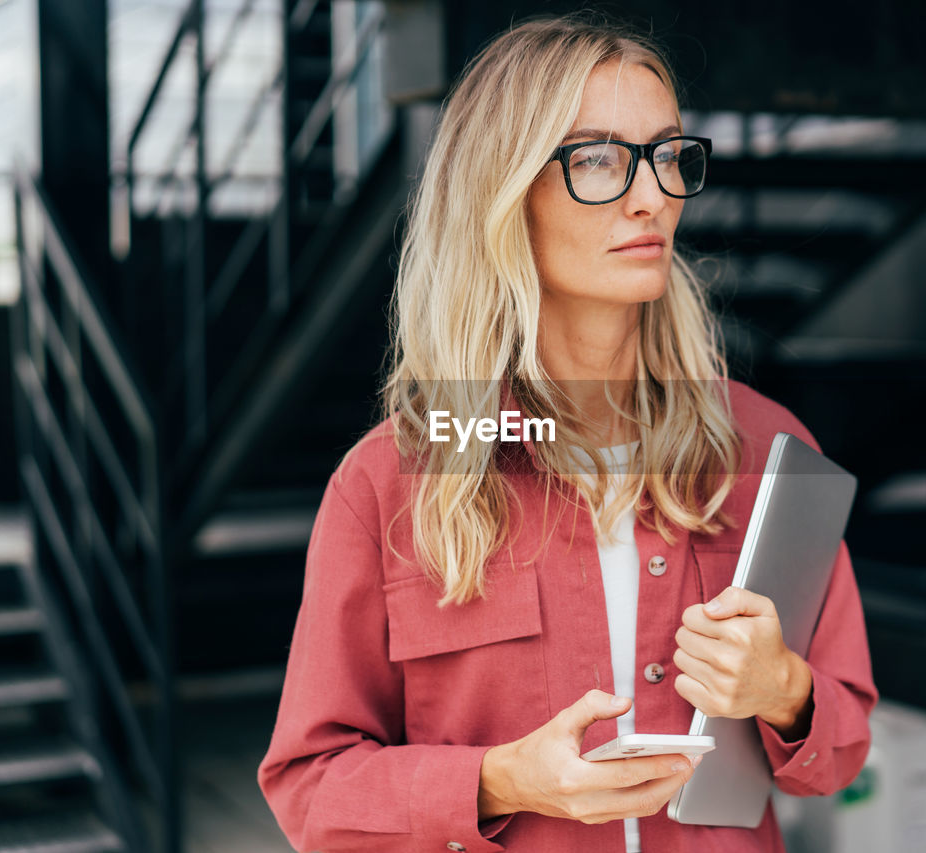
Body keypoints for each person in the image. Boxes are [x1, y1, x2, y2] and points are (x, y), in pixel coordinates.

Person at [258, 13, 877, 853]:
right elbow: (309, 787)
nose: (653, 194)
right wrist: (501, 780)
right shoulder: (388, 483)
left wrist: (784, 689)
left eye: (666, 154)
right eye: (595, 159)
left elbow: (841, 750)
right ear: (505, 191)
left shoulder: (766, 446)